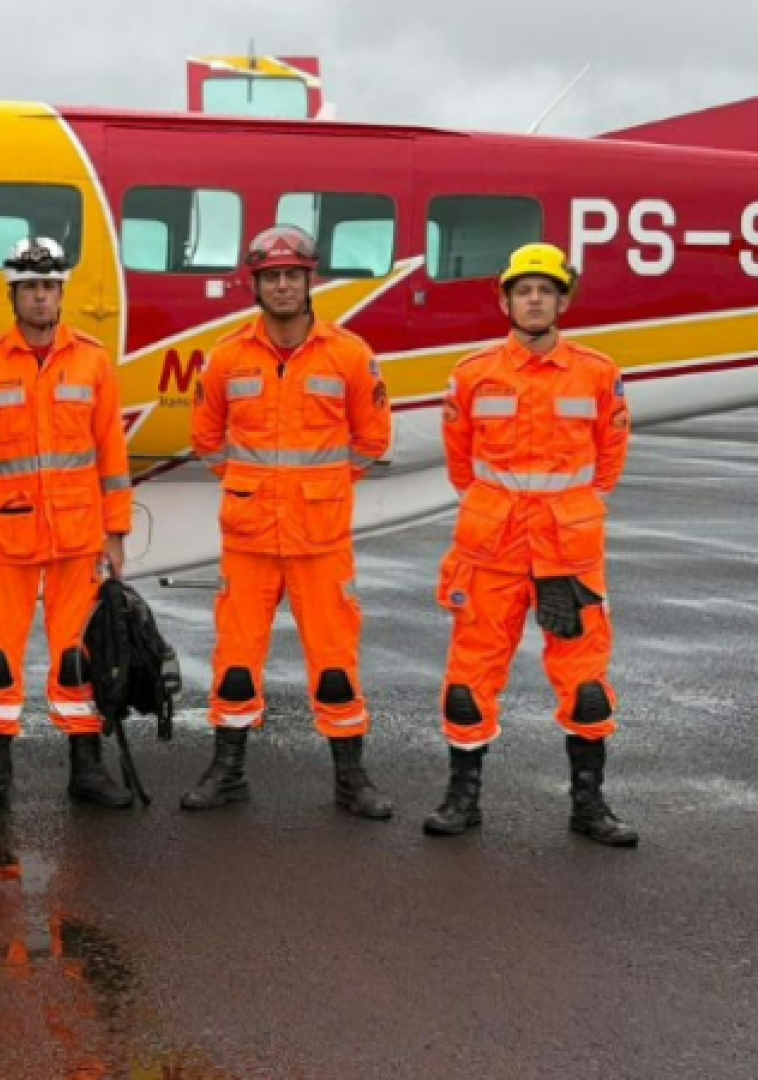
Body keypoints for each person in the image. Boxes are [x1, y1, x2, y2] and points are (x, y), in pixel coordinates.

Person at [423, 243, 638, 847]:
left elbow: (609, 460)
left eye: (546, 289)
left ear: (563, 299)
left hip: (568, 553)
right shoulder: (472, 375)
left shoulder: (597, 373)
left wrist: (567, 512)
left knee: (587, 685)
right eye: (523, 290)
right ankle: (462, 801)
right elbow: (462, 464)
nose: (535, 298)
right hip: (491, 551)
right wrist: (502, 509)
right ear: (505, 301)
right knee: (469, 682)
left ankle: (589, 806)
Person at [182, 225, 395, 820]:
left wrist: (318, 490)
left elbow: (372, 440)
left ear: (309, 282)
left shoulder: (349, 355)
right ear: (256, 286)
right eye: (271, 277)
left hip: (320, 541)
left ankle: (351, 782)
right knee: (235, 665)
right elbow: (207, 441)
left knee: (334, 666)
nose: (282, 286)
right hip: (249, 540)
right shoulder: (227, 357)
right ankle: (227, 774)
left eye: (292, 276)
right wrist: (257, 488)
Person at [0, 237, 136, 810]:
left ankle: (86, 768)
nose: (42, 298)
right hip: (7, 539)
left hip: (79, 538)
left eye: (50, 287)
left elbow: (111, 457)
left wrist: (116, 533)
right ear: (14, 294)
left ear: (61, 293)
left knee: (77, 654)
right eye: (31, 288)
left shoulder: (94, 362)